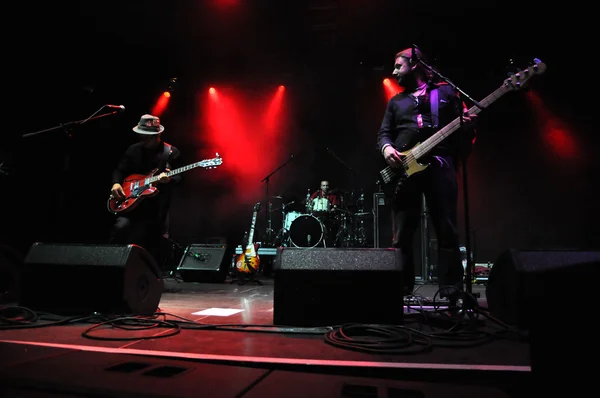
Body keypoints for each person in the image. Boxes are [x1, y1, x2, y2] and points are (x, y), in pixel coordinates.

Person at [376, 47, 477, 300]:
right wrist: (387, 148)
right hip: (404, 170)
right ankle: (401, 290)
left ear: (415, 64)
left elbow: (463, 135)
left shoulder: (445, 92)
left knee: (446, 229)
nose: (394, 71)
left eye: (398, 66)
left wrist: (467, 128)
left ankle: (451, 289)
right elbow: (383, 133)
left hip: (440, 164)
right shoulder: (396, 101)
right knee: (402, 234)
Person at [108, 114, 183, 266]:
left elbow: (180, 178)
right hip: (131, 203)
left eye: (149, 137)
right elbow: (120, 170)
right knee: (121, 229)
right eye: (143, 136)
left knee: (150, 241)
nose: (145, 140)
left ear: (158, 134)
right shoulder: (133, 150)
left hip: (155, 207)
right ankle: (113, 265)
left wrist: (169, 179)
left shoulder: (170, 152)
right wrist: (116, 184)